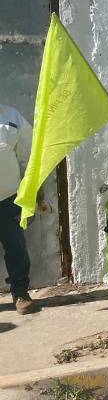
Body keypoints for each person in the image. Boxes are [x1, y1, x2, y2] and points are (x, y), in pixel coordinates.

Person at [0, 103, 38, 314]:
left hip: (9, 198)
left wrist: (33, 188)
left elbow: (28, 155)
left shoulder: (12, 116)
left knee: (16, 248)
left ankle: (20, 293)